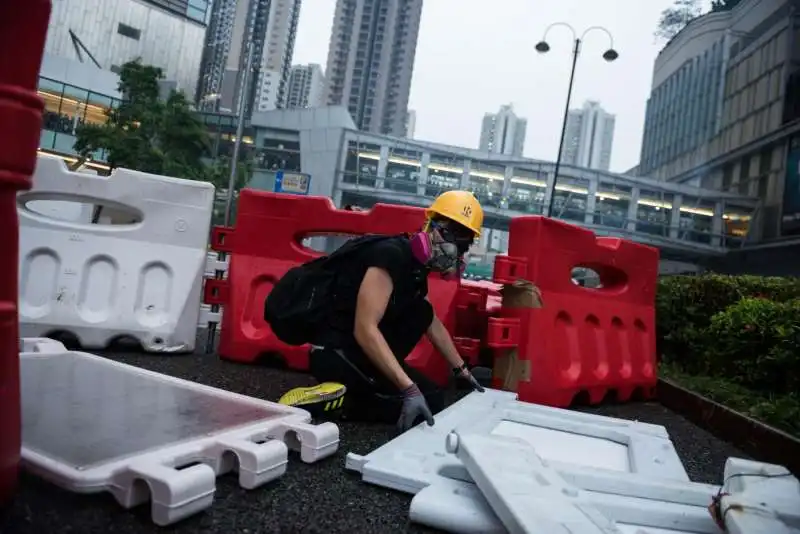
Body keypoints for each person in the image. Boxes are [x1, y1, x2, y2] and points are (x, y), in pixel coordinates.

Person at [308, 190, 486, 432]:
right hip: (336, 353)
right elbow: (365, 329)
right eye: (456, 242)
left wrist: (461, 369)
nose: (457, 254)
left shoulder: (416, 270)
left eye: (463, 247)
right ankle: (330, 402)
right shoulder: (390, 256)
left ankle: (363, 389)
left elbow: (431, 322)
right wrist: (408, 388)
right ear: (433, 228)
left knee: (433, 395)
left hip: (361, 354)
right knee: (422, 403)